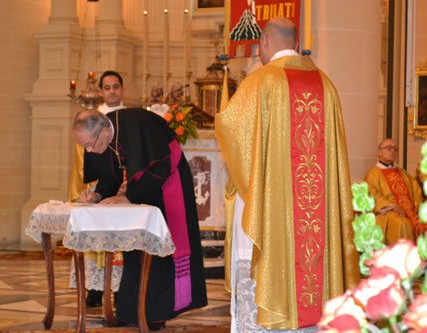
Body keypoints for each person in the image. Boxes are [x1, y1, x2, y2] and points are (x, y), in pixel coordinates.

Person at [215, 17, 360, 331]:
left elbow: (230, 129)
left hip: (270, 213)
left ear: (265, 41)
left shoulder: (260, 81)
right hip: (317, 219)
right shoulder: (326, 84)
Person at [73, 108, 207, 328]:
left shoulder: (139, 123)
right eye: (83, 146)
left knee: (160, 250)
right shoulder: (103, 138)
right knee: (134, 249)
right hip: (139, 192)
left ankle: (154, 315)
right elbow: (110, 175)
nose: (89, 150)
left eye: (89, 144)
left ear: (105, 130)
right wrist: (97, 194)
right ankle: (129, 313)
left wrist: (129, 196)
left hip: (167, 187)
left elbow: (161, 165)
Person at [68, 70, 126, 308]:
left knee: (121, 240)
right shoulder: (93, 119)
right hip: (102, 185)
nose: (111, 91)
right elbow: (85, 157)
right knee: (96, 239)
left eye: (116, 86)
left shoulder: (128, 119)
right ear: (101, 91)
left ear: (122, 89)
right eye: (107, 87)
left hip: (123, 190)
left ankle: (120, 287)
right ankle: (94, 287)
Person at [364, 139, 424, 244]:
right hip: (389, 213)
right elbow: (372, 194)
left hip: (410, 211)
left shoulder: (402, 172)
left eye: (395, 149)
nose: (392, 151)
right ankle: (405, 259)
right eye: (388, 148)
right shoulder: (373, 173)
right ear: (379, 152)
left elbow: (416, 190)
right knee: (403, 224)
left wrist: (417, 204)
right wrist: (391, 206)